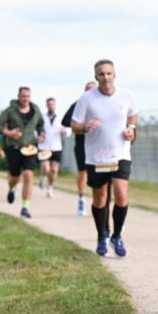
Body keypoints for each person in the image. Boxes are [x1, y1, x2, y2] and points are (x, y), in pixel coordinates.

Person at [71, 60, 137, 257]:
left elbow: (133, 117)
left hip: (120, 154)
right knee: (100, 199)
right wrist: (84, 127)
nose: (105, 77)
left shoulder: (126, 96)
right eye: (101, 74)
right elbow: (74, 124)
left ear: (114, 75)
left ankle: (117, 235)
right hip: (96, 157)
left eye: (109, 73)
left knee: (121, 194)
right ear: (96, 77)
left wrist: (131, 129)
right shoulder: (87, 99)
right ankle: (102, 235)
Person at [0, 87, 45, 219]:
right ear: (18, 97)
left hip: (30, 147)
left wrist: (41, 134)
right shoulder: (10, 111)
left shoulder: (36, 110)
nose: (26, 99)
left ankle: (25, 207)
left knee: (29, 175)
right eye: (23, 96)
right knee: (15, 177)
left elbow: (41, 124)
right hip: (14, 147)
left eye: (28, 96)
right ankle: (12, 188)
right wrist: (9, 133)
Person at [63, 82, 98, 215]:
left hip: (98, 145)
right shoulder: (78, 104)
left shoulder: (104, 103)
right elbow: (65, 121)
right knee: (83, 172)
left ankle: (99, 203)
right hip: (81, 144)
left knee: (99, 175)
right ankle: (82, 198)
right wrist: (81, 124)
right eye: (88, 90)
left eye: (93, 90)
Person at [37, 97, 68, 197]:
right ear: (46, 105)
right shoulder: (41, 117)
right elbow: (35, 130)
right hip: (44, 146)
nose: (51, 106)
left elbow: (68, 129)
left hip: (56, 147)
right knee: (46, 168)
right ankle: (42, 177)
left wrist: (65, 131)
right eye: (49, 104)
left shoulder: (61, 117)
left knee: (54, 170)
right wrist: (38, 136)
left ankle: (50, 189)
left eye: (52, 104)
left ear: (55, 105)